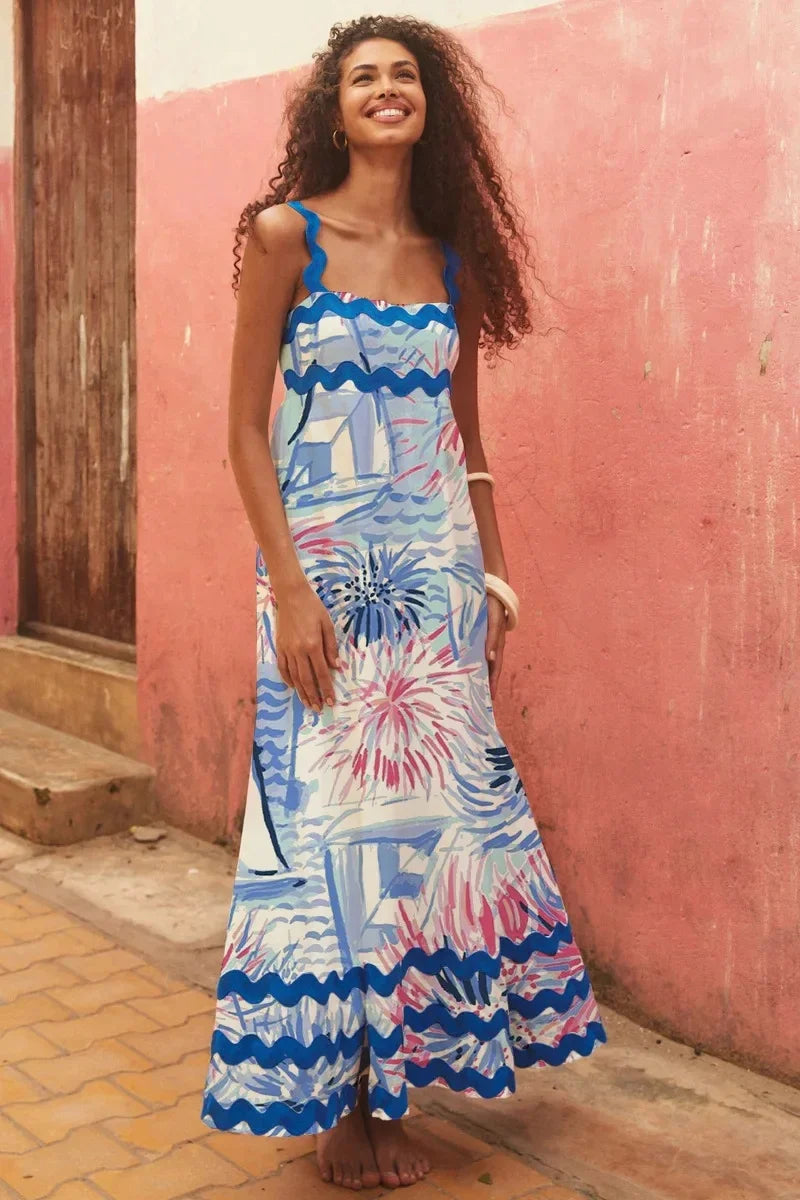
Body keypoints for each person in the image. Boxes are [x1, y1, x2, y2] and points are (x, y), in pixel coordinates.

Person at [200, 13, 608, 1192]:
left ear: (432, 109)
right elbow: (240, 425)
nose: (386, 90)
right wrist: (286, 586)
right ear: (332, 107)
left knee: (428, 849)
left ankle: (398, 1090)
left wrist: (490, 576)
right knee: (323, 838)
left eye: (406, 77)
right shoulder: (288, 237)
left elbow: (464, 440)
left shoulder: (452, 257)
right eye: (364, 77)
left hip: (430, 595)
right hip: (320, 583)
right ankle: (340, 1110)